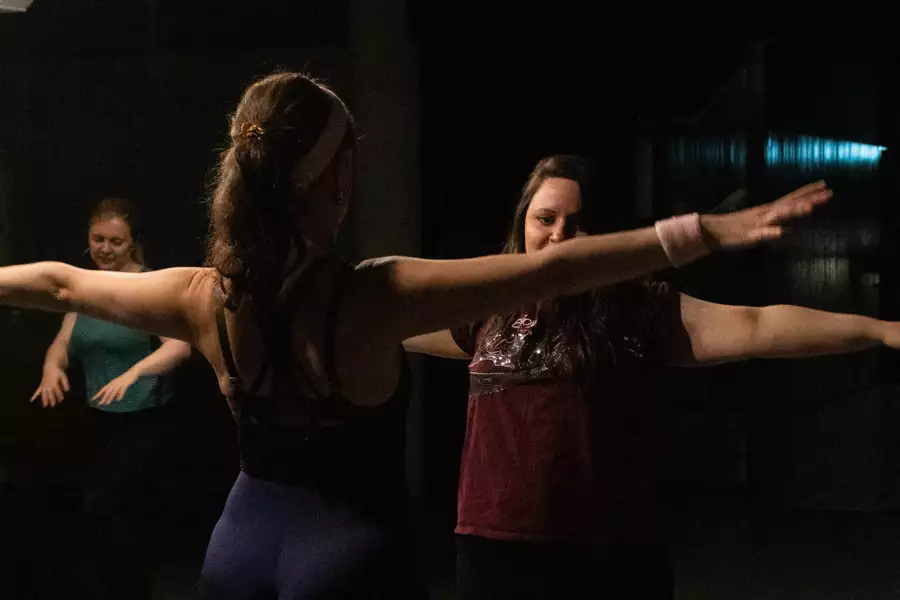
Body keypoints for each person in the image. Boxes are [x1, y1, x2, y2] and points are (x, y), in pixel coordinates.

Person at [0, 74, 830, 599]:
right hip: (348, 557)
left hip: (237, 549)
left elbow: (60, 283)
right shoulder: (376, 295)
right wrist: (699, 232)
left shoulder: (199, 297)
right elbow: (550, 272)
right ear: (338, 181)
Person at [403, 154, 900, 600]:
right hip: (493, 550)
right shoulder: (487, 307)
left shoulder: (637, 308)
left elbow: (756, 326)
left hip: (606, 555)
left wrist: (880, 330)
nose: (558, 236)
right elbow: (390, 322)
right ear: (522, 224)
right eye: (545, 219)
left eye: (577, 223)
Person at [30, 197, 192, 599]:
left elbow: (180, 347)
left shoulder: (148, 286)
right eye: (98, 239)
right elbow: (63, 342)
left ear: (132, 242)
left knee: (103, 508)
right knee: (118, 516)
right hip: (99, 419)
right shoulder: (83, 287)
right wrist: (52, 367)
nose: (105, 248)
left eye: (115, 241)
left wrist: (135, 372)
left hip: (144, 419)